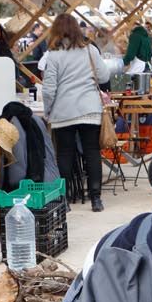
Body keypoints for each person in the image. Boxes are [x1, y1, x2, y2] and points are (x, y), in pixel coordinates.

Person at [41, 12, 110, 212]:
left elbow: (48, 89)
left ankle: (64, 199)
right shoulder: (90, 50)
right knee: (92, 152)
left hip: (63, 111)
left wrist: (48, 110)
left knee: (64, 154)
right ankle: (96, 198)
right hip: (89, 109)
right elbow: (104, 75)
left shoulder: (53, 56)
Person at [0, 99, 58, 185]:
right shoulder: (36, 119)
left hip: (35, 185)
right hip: (53, 180)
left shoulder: (14, 125)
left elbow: (16, 177)